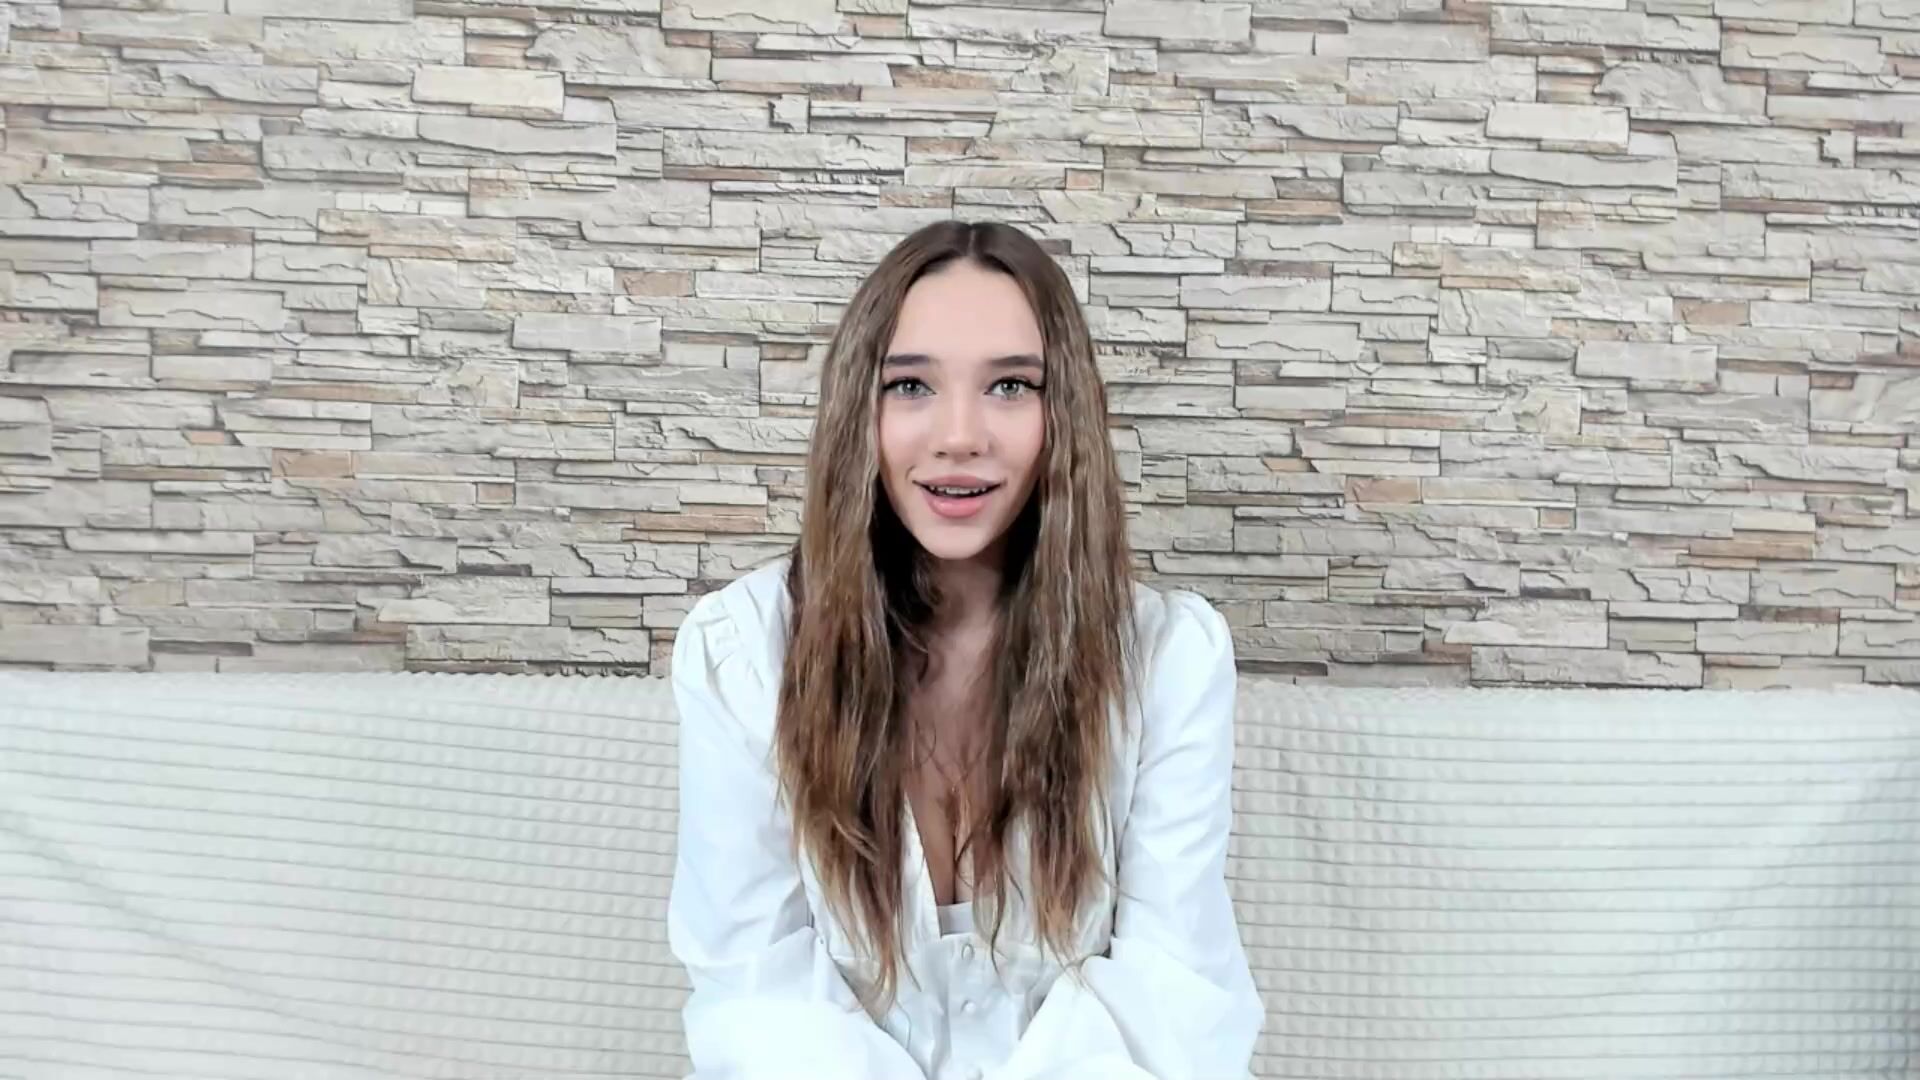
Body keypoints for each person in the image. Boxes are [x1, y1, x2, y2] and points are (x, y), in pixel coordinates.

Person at [666, 220, 1263, 1080]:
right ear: (858, 410)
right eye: (910, 385)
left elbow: (1172, 989)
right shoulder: (742, 656)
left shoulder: (1171, 661)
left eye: (1010, 386)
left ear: (1064, 415)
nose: (959, 435)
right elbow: (756, 992)